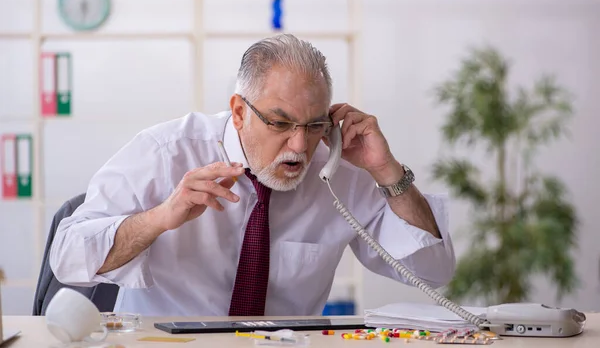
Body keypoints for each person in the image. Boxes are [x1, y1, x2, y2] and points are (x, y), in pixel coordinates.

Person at [49, 34, 455, 317]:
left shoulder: (340, 169)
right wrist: (161, 217)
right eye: (280, 124)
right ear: (240, 112)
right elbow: (66, 257)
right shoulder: (165, 152)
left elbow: (434, 270)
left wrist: (386, 170)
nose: (299, 146)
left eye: (314, 125)